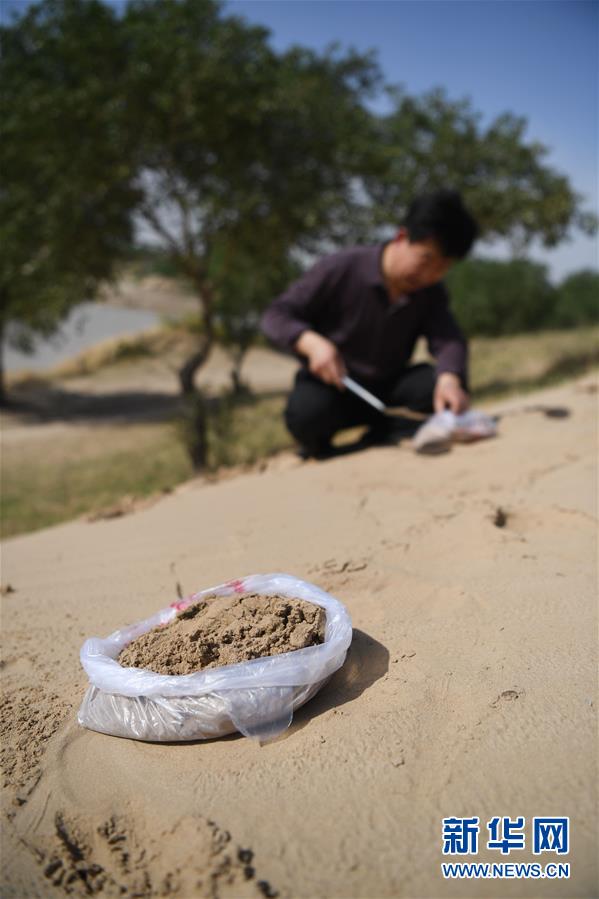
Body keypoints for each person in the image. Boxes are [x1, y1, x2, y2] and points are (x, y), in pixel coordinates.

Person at [261, 189, 479, 458]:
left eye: (442, 268)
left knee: (442, 384)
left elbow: (448, 339)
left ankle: (381, 436)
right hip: (337, 385)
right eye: (426, 260)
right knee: (306, 415)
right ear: (401, 237)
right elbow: (276, 315)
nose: (429, 275)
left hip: (390, 388)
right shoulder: (340, 267)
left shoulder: (431, 291)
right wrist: (311, 342)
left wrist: (449, 379)